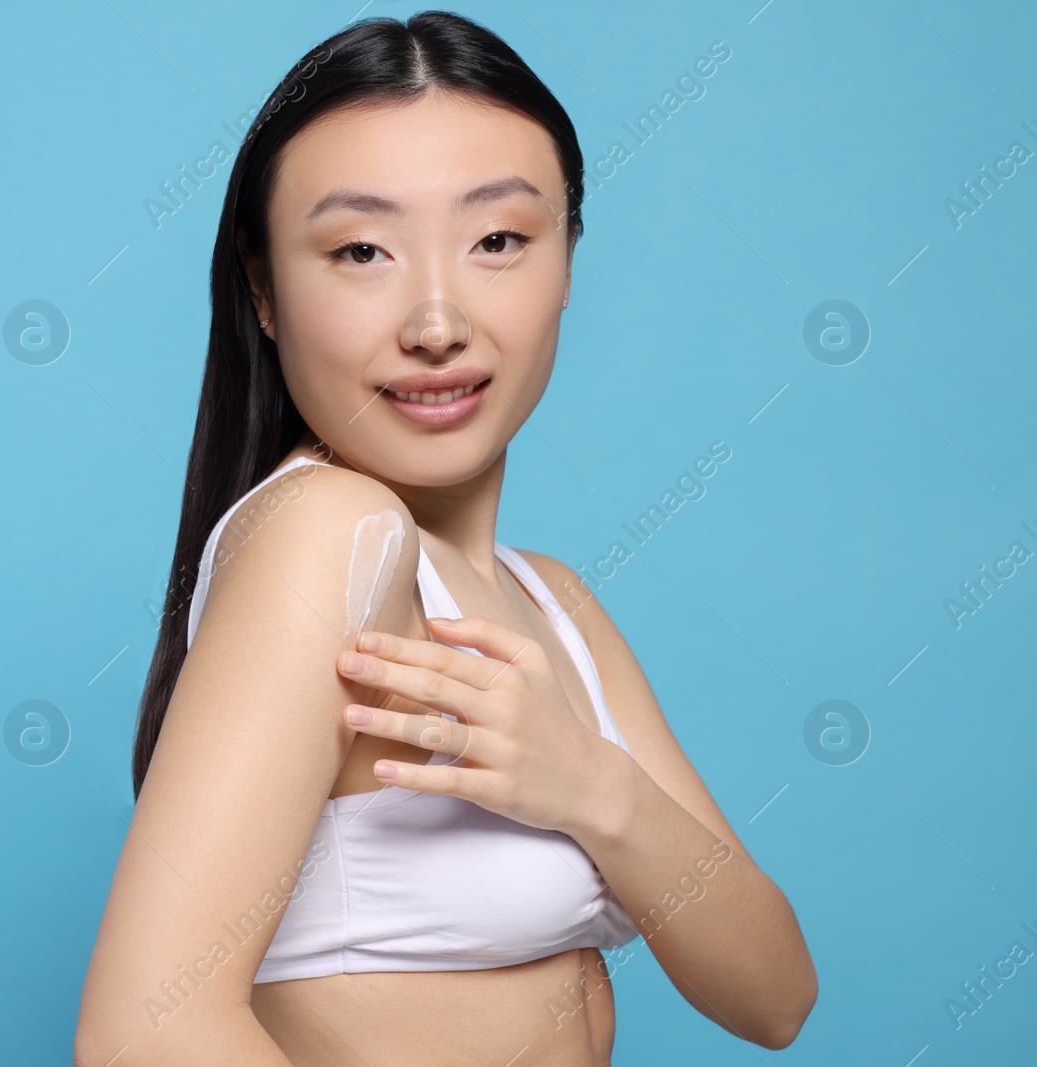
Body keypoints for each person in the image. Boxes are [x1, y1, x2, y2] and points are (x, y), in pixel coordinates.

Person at [76, 11, 817, 1065]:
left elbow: (774, 995)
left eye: (498, 240)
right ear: (263, 289)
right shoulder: (331, 532)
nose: (435, 322)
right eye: (360, 249)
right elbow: (140, 1033)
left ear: (568, 259)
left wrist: (587, 783)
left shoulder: (550, 600)